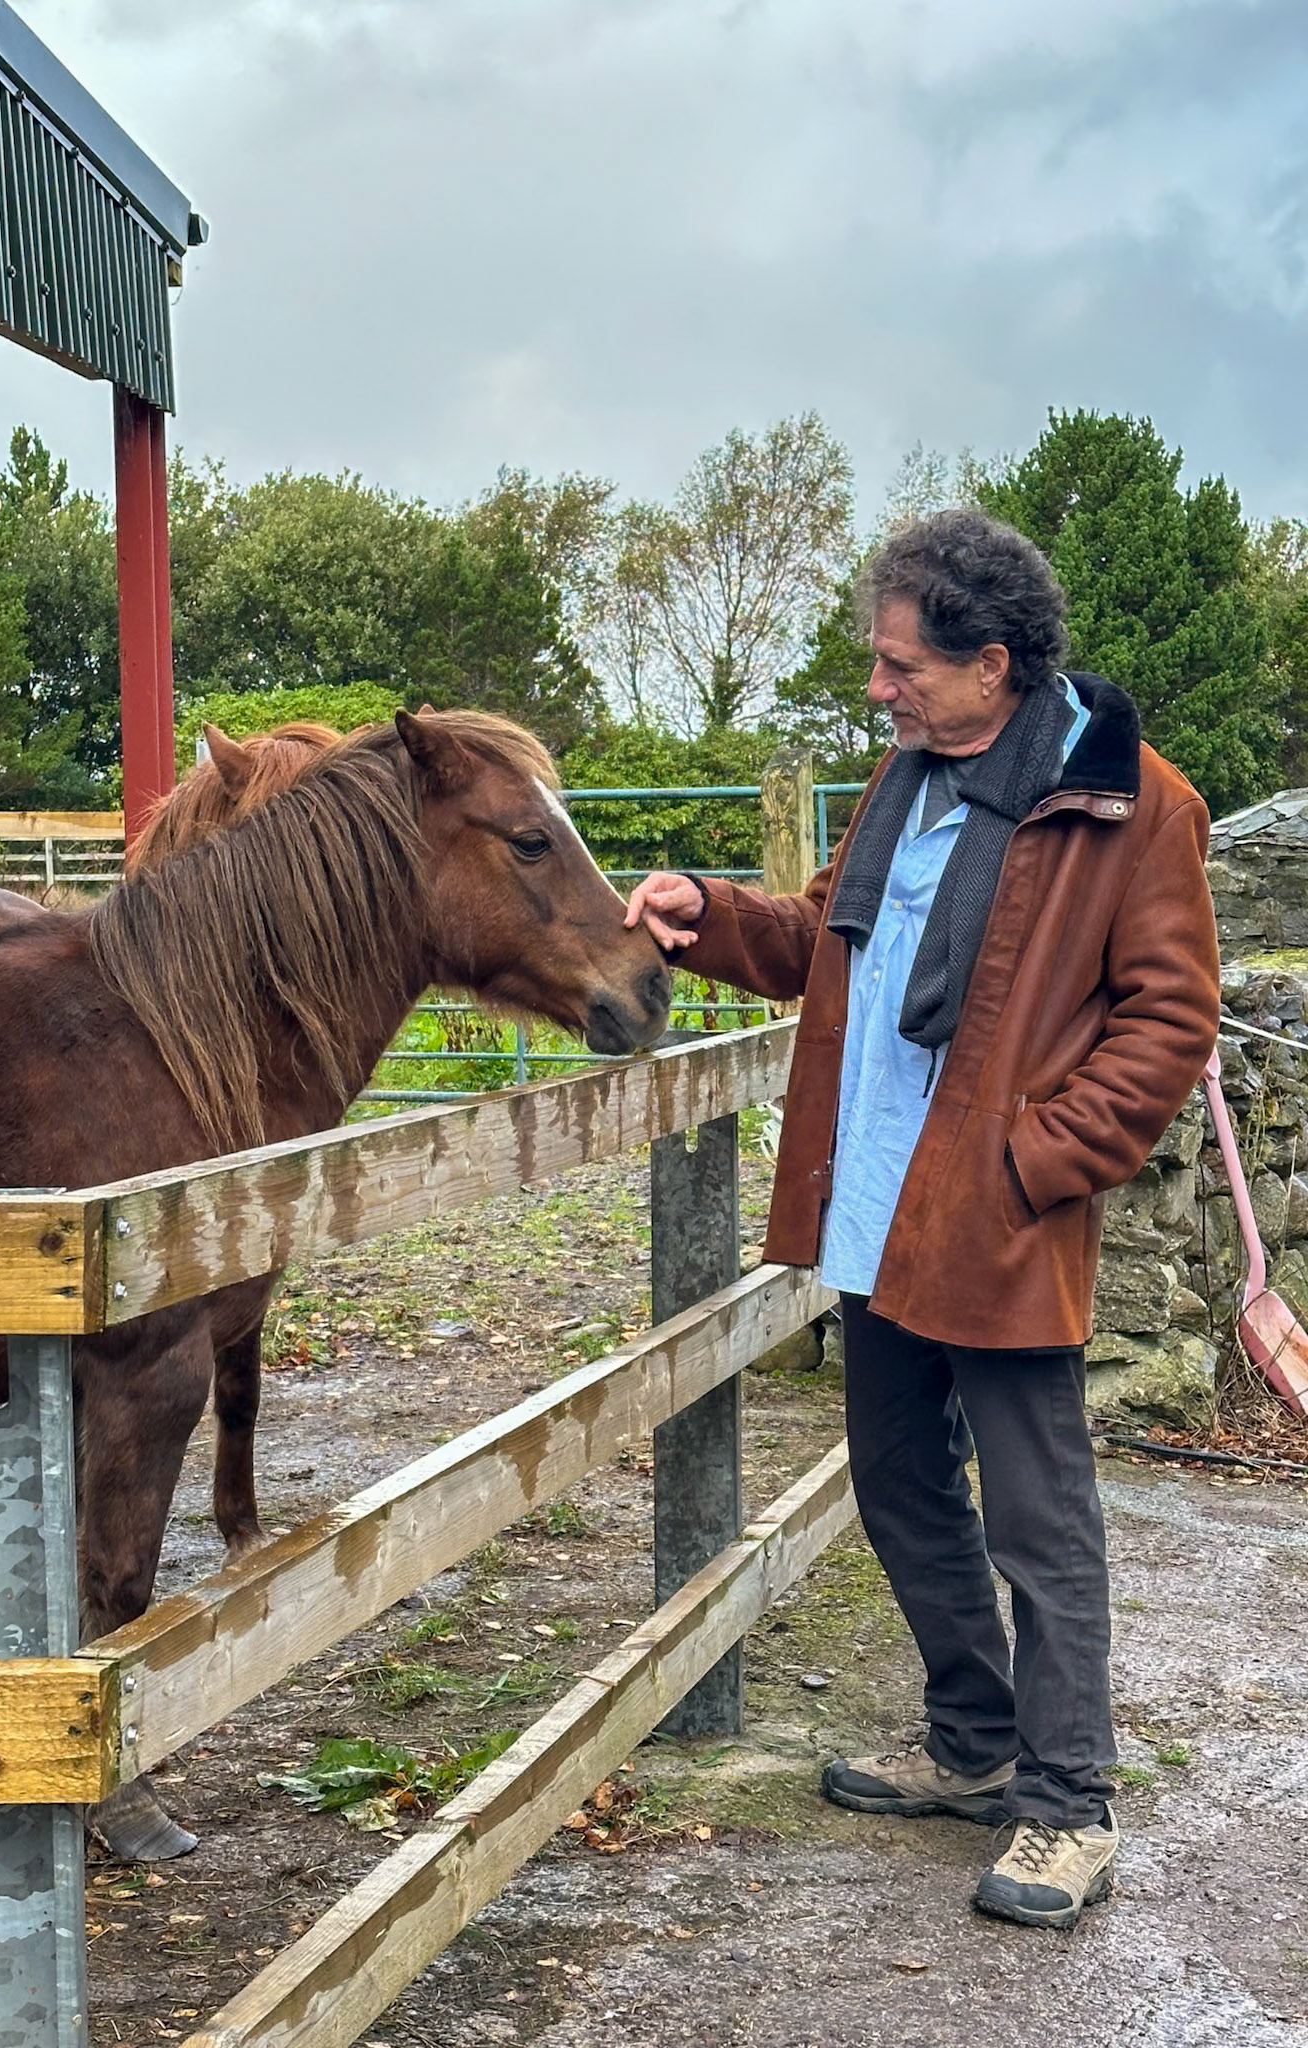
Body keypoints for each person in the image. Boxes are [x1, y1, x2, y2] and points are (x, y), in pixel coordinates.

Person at [624, 509, 1220, 1930]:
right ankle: (974, 1741)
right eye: (877, 665)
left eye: (900, 667)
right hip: (876, 1215)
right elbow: (814, 943)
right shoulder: (910, 782)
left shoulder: (1133, 801)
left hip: (999, 1223)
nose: (879, 689)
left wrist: (1033, 1164)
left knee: (1039, 1520)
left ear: (992, 664)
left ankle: (1069, 1806)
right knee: (897, 1486)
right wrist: (702, 911)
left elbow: (1171, 1018)